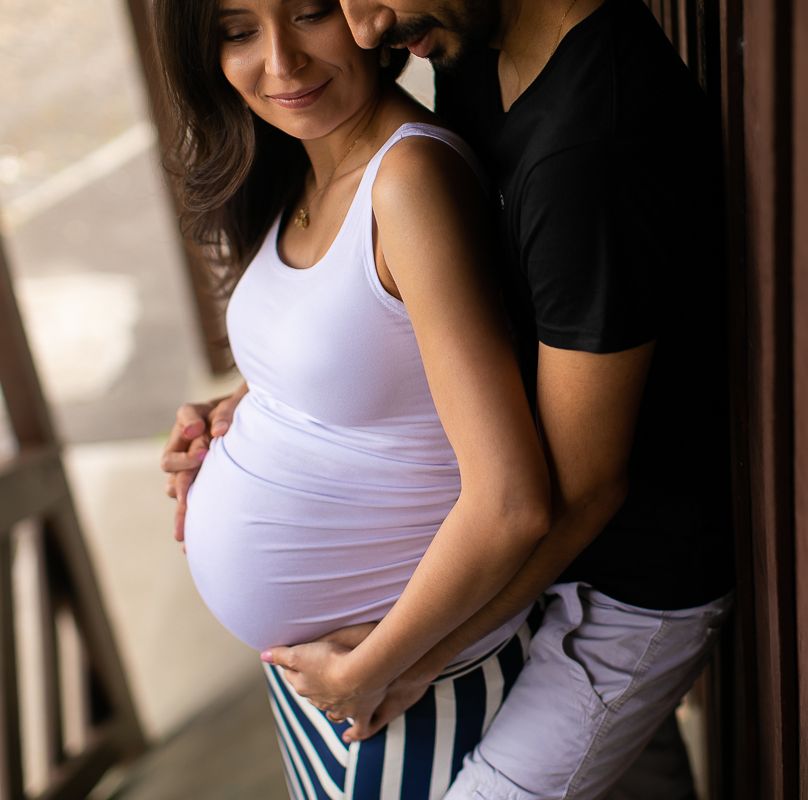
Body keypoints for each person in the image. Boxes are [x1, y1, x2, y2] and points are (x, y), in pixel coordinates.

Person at [163, 0, 737, 796]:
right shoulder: (469, 54)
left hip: (617, 590)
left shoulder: (577, 151)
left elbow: (560, 496)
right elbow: (408, 333)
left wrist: (391, 665)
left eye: (312, 11)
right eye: (237, 31)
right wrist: (253, 410)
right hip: (474, 610)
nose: (367, 29)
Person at [153, 1, 554, 797]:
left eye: (306, 13)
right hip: (326, 684)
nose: (281, 62)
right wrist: (235, 410)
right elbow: (370, 348)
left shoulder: (409, 183)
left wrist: (375, 668)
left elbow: (513, 502)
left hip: (410, 679)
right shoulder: (306, 159)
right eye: (238, 32)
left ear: (366, 15)